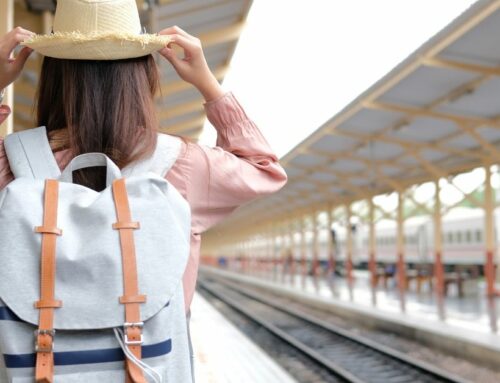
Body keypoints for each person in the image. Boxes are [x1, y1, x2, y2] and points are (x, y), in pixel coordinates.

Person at [0, 0, 287, 380]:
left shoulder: (12, 164)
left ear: (52, 76)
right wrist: (209, 86)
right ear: (144, 77)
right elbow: (264, 170)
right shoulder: (180, 166)